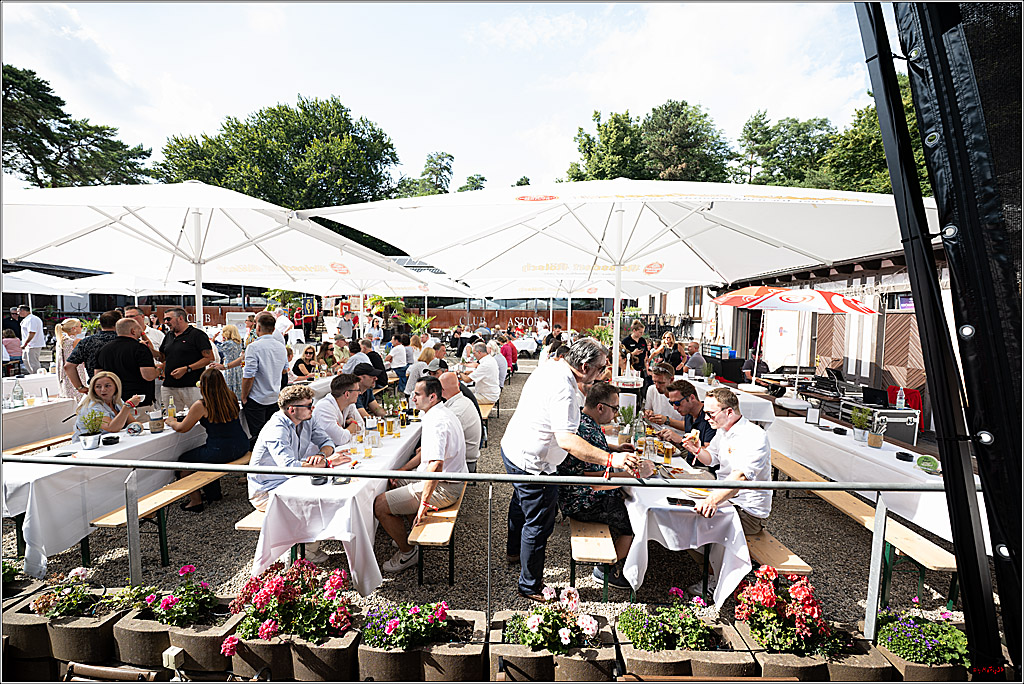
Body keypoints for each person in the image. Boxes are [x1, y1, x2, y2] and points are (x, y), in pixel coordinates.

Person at [501, 338, 642, 601]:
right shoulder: (564, 388)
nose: (602, 374)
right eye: (601, 369)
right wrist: (611, 460)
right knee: (539, 524)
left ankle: (513, 551)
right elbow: (567, 440)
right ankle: (529, 585)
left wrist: (610, 447)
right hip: (535, 463)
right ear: (585, 366)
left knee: (521, 504)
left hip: (515, 449)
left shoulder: (552, 365)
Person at [675, 387, 772, 595]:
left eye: (710, 413)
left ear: (729, 412)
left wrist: (712, 499)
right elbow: (712, 459)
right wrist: (696, 450)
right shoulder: (723, 430)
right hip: (729, 499)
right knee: (682, 514)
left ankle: (720, 581)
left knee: (696, 520)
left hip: (748, 509)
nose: (706, 417)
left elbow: (740, 478)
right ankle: (713, 570)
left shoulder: (754, 436)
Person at [558, 382, 653, 589]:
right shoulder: (588, 430)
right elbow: (596, 482)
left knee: (629, 502)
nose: (617, 414)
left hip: (570, 496)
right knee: (635, 522)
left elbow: (594, 449)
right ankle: (604, 571)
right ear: (600, 407)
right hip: (580, 502)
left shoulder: (583, 420)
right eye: (615, 408)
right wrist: (635, 474)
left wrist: (615, 448)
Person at [373, 376, 467, 573]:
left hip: (446, 487)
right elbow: (428, 453)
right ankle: (407, 534)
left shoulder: (436, 421)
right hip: (448, 480)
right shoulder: (440, 413)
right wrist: (402, 470)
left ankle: (408, 553)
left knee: (379, 505)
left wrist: (424, 504)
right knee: (395, 481)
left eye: (417, 394)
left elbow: (436, 465)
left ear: (432, 397)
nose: (412, 398)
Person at [247, 384, 341, 564]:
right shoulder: (276, 428)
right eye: (308, 405)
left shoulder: (307, 419)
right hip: (267, 491)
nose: (312, 408)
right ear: (291, 410)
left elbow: (328, 442)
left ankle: (308, 546)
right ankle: (302, 553)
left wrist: (321, 456)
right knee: (318, 501)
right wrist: (326, 463)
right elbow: (289, 467)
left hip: (289, 482)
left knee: (330, 491)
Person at [167, 368, 249, 512]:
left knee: (183, 462)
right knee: (206, 456)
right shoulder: (230, 397)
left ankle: (195, 501)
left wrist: (171, 421)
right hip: (241, 444)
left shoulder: (202, 404)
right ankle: (213, 494)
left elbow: (182, 428)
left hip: (221, 451)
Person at [237, 311, 289, 447]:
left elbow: (249, 375)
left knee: (259, 438)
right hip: (274, 396)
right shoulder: (281, 347)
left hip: (257, 398)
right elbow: (284, 370)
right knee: (272, 434)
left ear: (258, 328)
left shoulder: (253, 347)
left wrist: (243, 396)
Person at [155, 307, 213, 408]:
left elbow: (208, 358)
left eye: (169, 319)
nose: (165, 322)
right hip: (169, 385)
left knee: (198, 416)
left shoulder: (197, 335)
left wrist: (187, 369)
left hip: (192, 386)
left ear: (180, 318)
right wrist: (148, 349)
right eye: (164, 319)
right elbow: (162, 357)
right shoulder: (169, 335)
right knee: (172, 418)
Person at [95, 318, 159, 407]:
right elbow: (148, 376)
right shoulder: (140, 349)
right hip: (138, 400)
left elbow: (98, 376)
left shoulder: (103, 349)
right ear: (133, 331)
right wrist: (159, 369)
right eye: (140, 331)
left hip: (113, 401)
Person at [71, 371, 144, 441]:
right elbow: (112, 428)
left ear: (116, 387)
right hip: (88, 445)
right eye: (98, 387)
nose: (103, 390)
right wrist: (128, 406)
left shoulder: (116, 400)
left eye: (107, 386)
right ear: (93, 389)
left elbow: (132, 422)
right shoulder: (93, 406)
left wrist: (136, 426)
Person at [65, 310, 121, 387]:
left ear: (101, 323)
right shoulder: (128, 341)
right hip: (124, 386)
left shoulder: (86, 342)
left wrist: (80, 387)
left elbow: (69, 366)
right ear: (119, 323)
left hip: (97, 387)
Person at [439, 371, 481, 472]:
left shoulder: (456, 412)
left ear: (441, 390)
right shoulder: (463, 401)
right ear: (458, 384)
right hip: (468, 457)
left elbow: (441, 447)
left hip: (463, 464)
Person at [657, 379, 717, 450]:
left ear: (692, 398)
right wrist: (671, 439)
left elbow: (709, 454)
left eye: (677, 403)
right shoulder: (688, 414)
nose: (674, 407)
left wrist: (681, 440)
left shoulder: (710, 417)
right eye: (671, 403)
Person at [310, 373, 363, 449]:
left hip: (339, 450)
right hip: (318, 455)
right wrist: (353, 424)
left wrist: (346, 431)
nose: (360, 393)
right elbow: (340, 439)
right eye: (357, 390)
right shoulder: (324, 408)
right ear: (347, 394)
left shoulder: (349, 404)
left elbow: (362, 426)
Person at [643, 364, 686, 439]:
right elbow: (647, 410)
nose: (657, 386)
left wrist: (667, 420)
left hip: (676, 436)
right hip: (655, 433)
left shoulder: (683, 395)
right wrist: (648, 413)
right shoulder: (652, 389)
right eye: (654, 382)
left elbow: (690, 426)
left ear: (671, 380)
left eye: (661, 383)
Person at [216, 325, 244, 398]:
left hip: (229, 365)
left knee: (229, 384)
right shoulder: (238, 343)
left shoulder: (228, 343)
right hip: (237, 365)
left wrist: (213, 340)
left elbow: (218, 349)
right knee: (237, 384)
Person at [18, 305, 46, 373]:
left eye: (18, 311)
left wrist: (25, 343)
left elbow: (32, 332)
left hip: (33, 344)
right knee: (25, 360)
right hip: (29, 344)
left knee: (33, 362)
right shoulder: (27, 319)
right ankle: (33, 374)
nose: (17, 313)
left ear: (23, 311)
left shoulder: (31, 319)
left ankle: (36, 376)